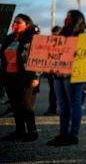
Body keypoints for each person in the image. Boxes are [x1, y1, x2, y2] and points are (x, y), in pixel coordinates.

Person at [46, 10, 86, 146]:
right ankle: (63, 133)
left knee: (74, 104)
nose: (66, 19)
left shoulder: (82, 36)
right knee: (63, 105)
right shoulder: (62, 34)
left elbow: (84, 57)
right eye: (66, 17)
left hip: (73, 75)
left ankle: (73, 135)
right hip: (58, 75)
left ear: (76, 20)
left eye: (69, 17)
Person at [0, 14, 39, 142]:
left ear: (27, 24)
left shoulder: (31, 38)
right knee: (15, 105)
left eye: (18, 22)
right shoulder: (9, 38)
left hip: (25, 76)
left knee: (25, 105)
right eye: (14, 22)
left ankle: (32, 131)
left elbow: (37, 57)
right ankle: (20, 130)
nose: (15, 24)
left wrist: (35, 76)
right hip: (8, 75)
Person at [43, 25, 62, 116]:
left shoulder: (66, 45)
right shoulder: (49, 45)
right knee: (52, 90)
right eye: (53, 35)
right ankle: (52, 108)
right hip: (52, 72)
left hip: (63, 72)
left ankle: (62, 108)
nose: (55, 38)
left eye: (57, 35)